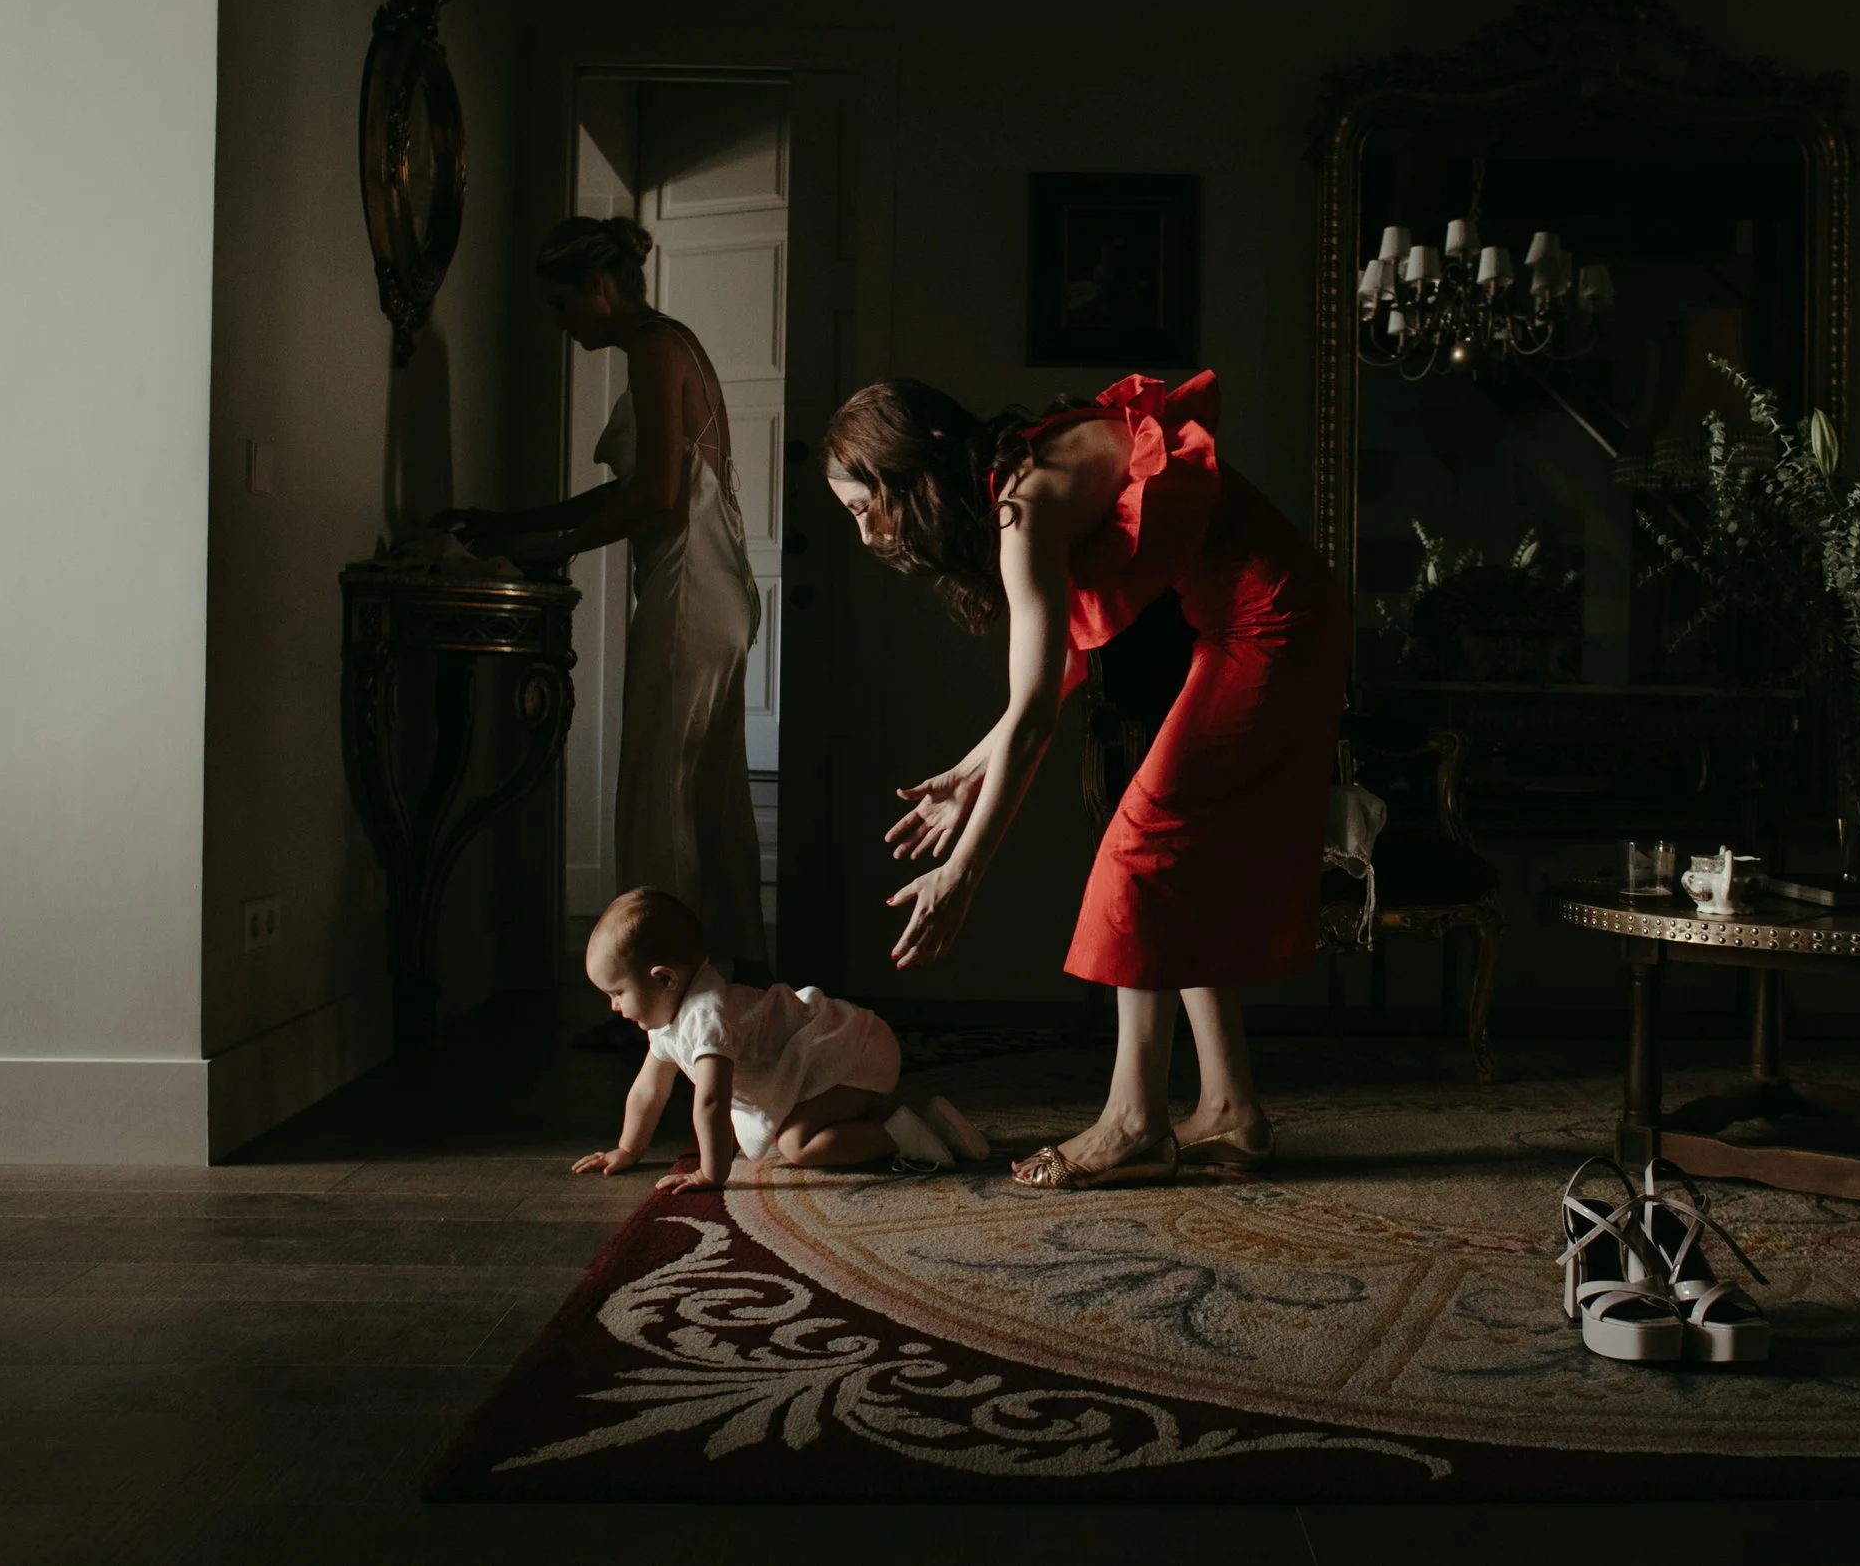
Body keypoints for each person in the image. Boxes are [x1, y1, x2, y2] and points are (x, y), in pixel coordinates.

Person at [822, 372, 1348, 1190]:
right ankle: (1231, 1111)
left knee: (1143, 845)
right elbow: (1059, 664)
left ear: (904, 472)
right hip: (1255, 620)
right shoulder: (1022, 472)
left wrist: (961, 874)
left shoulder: (1022, 507)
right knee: (1181, 855)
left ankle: (1136, 1122)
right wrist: (970, 769)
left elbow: (1034, 714)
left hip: (1274, 625)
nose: (863, 535)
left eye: (861, 509)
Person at [442, 216, 767, 987]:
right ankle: (733, 986)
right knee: (706, 794)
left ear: (599, 286)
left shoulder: (656, 347)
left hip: (691, 585)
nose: (562, 324)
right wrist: (517, 524)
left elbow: (654, 495)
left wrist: (551, 550)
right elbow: (636, 486)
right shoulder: (667, 343)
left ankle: (664, 996)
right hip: (712, 586)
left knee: (661, 791)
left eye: (562, 305)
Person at [571, 888, 986, 1189]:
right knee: (795, 1133)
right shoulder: (669, 1019)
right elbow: (649, 1090)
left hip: (847, 1053)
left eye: (617, 994)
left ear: (664, 979)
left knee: (798, 1144)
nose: (614, 1007)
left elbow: (712, 1101)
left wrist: (711, 1174)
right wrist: (627, 1149)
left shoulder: (708, 1017)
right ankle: (903, 1118)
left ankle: (909, 1131)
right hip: (814, 1067)